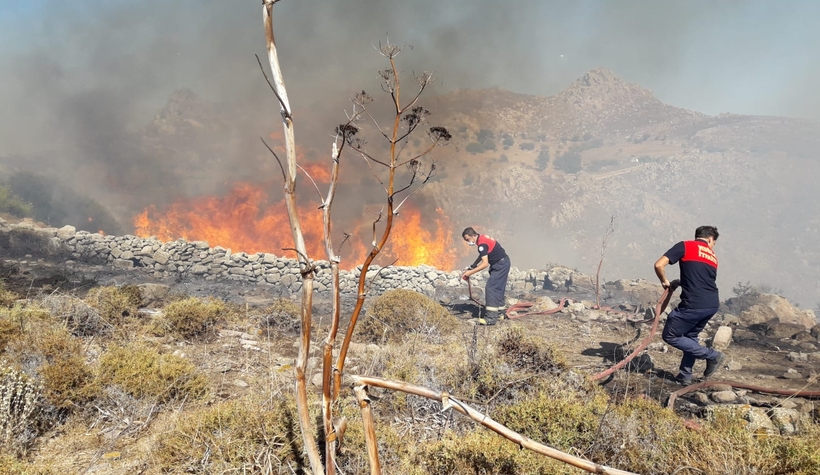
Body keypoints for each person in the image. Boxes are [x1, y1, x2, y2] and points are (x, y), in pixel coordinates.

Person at [654, 225, 725, 384]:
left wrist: (664, 281)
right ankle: (685, 376)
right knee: (690, 337)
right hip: (712, 303)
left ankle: (713, 356)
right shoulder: (713, 257)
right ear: (710, 239)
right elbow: (699, 279)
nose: (712, 245)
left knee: (670, 335)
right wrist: (678, 282)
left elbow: (659, 265)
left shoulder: (685, 246)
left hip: (694, 304)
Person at [461, 227, 511, 326]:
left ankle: (491, 318)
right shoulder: (482, 238)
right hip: (504, 262)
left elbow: (485, 264)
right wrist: (472, 266)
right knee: (498, 288)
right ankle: (500, 313)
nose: (468, 242)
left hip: (500, 264)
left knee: (491, 288)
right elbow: (483, 255)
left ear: (473, 236)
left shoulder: (481, 245)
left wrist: (469, 273)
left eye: (468, 239)